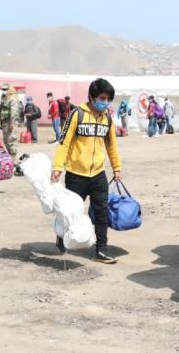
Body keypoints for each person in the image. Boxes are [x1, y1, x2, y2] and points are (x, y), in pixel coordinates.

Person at [52, 78, 123, 264]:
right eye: (102, 98)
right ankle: (62, 237)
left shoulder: (107, 118)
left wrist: (117, 167)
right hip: (76, 174)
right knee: (70, 212)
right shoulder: (77, 114)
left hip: (98, 173)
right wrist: (58, 167)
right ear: (91, 97)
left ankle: (101, 250)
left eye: (108, 99)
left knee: (101, 212)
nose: (105, 102)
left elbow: (111, 145)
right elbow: (64, 142)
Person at [0, 84, 21, 173]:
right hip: (4, 122)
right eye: (3, 89)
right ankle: (11, 159)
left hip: (11, 123)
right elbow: (1, 109)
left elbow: (14, 111)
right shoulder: (4, 98)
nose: (4, 91)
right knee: (6, 141)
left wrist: (12, 122)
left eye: (5, 89)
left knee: (12, 140)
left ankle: (14, 161)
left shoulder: (13, 98)